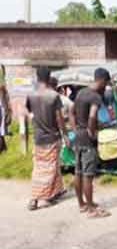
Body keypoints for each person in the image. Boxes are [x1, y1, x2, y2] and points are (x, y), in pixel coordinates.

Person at [69, 68, 111, 219]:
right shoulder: (95, 97)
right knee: (88, 175)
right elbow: (92, 116)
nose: (106, 87)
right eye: (106, 83)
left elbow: (71, 112)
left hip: (78, 138)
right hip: (87, 140)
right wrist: (92, 132)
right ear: (102, 80)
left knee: (78, 172)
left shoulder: (81, 93)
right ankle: (91, 207)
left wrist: (76, 129)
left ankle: (82, 205)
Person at [26, 67, 69, 211]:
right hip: (52, 136)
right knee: (49, 168)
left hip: (38, 137)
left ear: (37, 78)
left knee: (41, 166)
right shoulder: (53, 96)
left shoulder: (31, 95)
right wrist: (66, 135)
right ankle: (41, 199)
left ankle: (54, 191)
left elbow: (29, 115)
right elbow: (59, 118)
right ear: (49, 77)